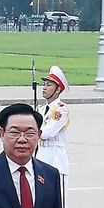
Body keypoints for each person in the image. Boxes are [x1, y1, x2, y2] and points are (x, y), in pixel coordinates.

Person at [36, 65, 71, 198]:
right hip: (41, 157)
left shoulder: (61, 110)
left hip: (55, 158)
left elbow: (46, 133)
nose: (44, 87)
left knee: (58, 201)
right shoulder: (41, 109)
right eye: (44, 84)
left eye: (49, 85)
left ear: (57, 90)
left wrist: (32, 130)